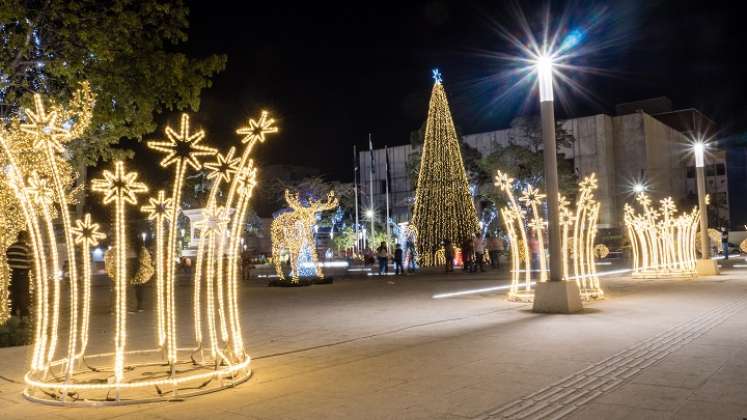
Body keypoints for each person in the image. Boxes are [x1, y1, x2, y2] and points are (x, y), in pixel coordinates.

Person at [6, 231, 32, 318]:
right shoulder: (26, 248)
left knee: (14, 293)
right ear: (25, 237)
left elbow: (8, 259)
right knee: (23, 293)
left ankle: (13, 312)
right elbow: (31, 262)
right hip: (23, 273)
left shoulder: (11, 247)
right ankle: (23, 313)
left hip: (13, 273)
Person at [131, 245, 155, 312]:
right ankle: (139, 306)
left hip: (137, 269)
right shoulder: (140, 250)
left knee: (138, 287)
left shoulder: (141, 250)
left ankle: (139, 306)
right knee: (138, 288)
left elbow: (145, 262)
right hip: (136, 268)